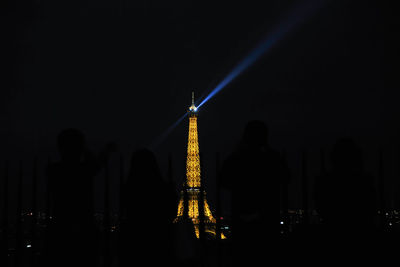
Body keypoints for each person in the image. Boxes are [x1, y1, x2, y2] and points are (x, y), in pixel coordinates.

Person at [220, 120, 289, 266]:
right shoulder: (273, 158)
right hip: (267, 219)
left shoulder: (237, 159)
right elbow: (285, 178)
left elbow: (223, 180)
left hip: (242, 217)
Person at [45, 128, 115, 267]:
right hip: (84, 229)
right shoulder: (84, 170)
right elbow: (95, 164)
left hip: (61, 229)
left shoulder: (54, 170)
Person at [119, 148, 177, 266]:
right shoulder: (164, 188)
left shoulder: (128, 189)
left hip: (135, 239)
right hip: (160, 238)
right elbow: (172, 213)